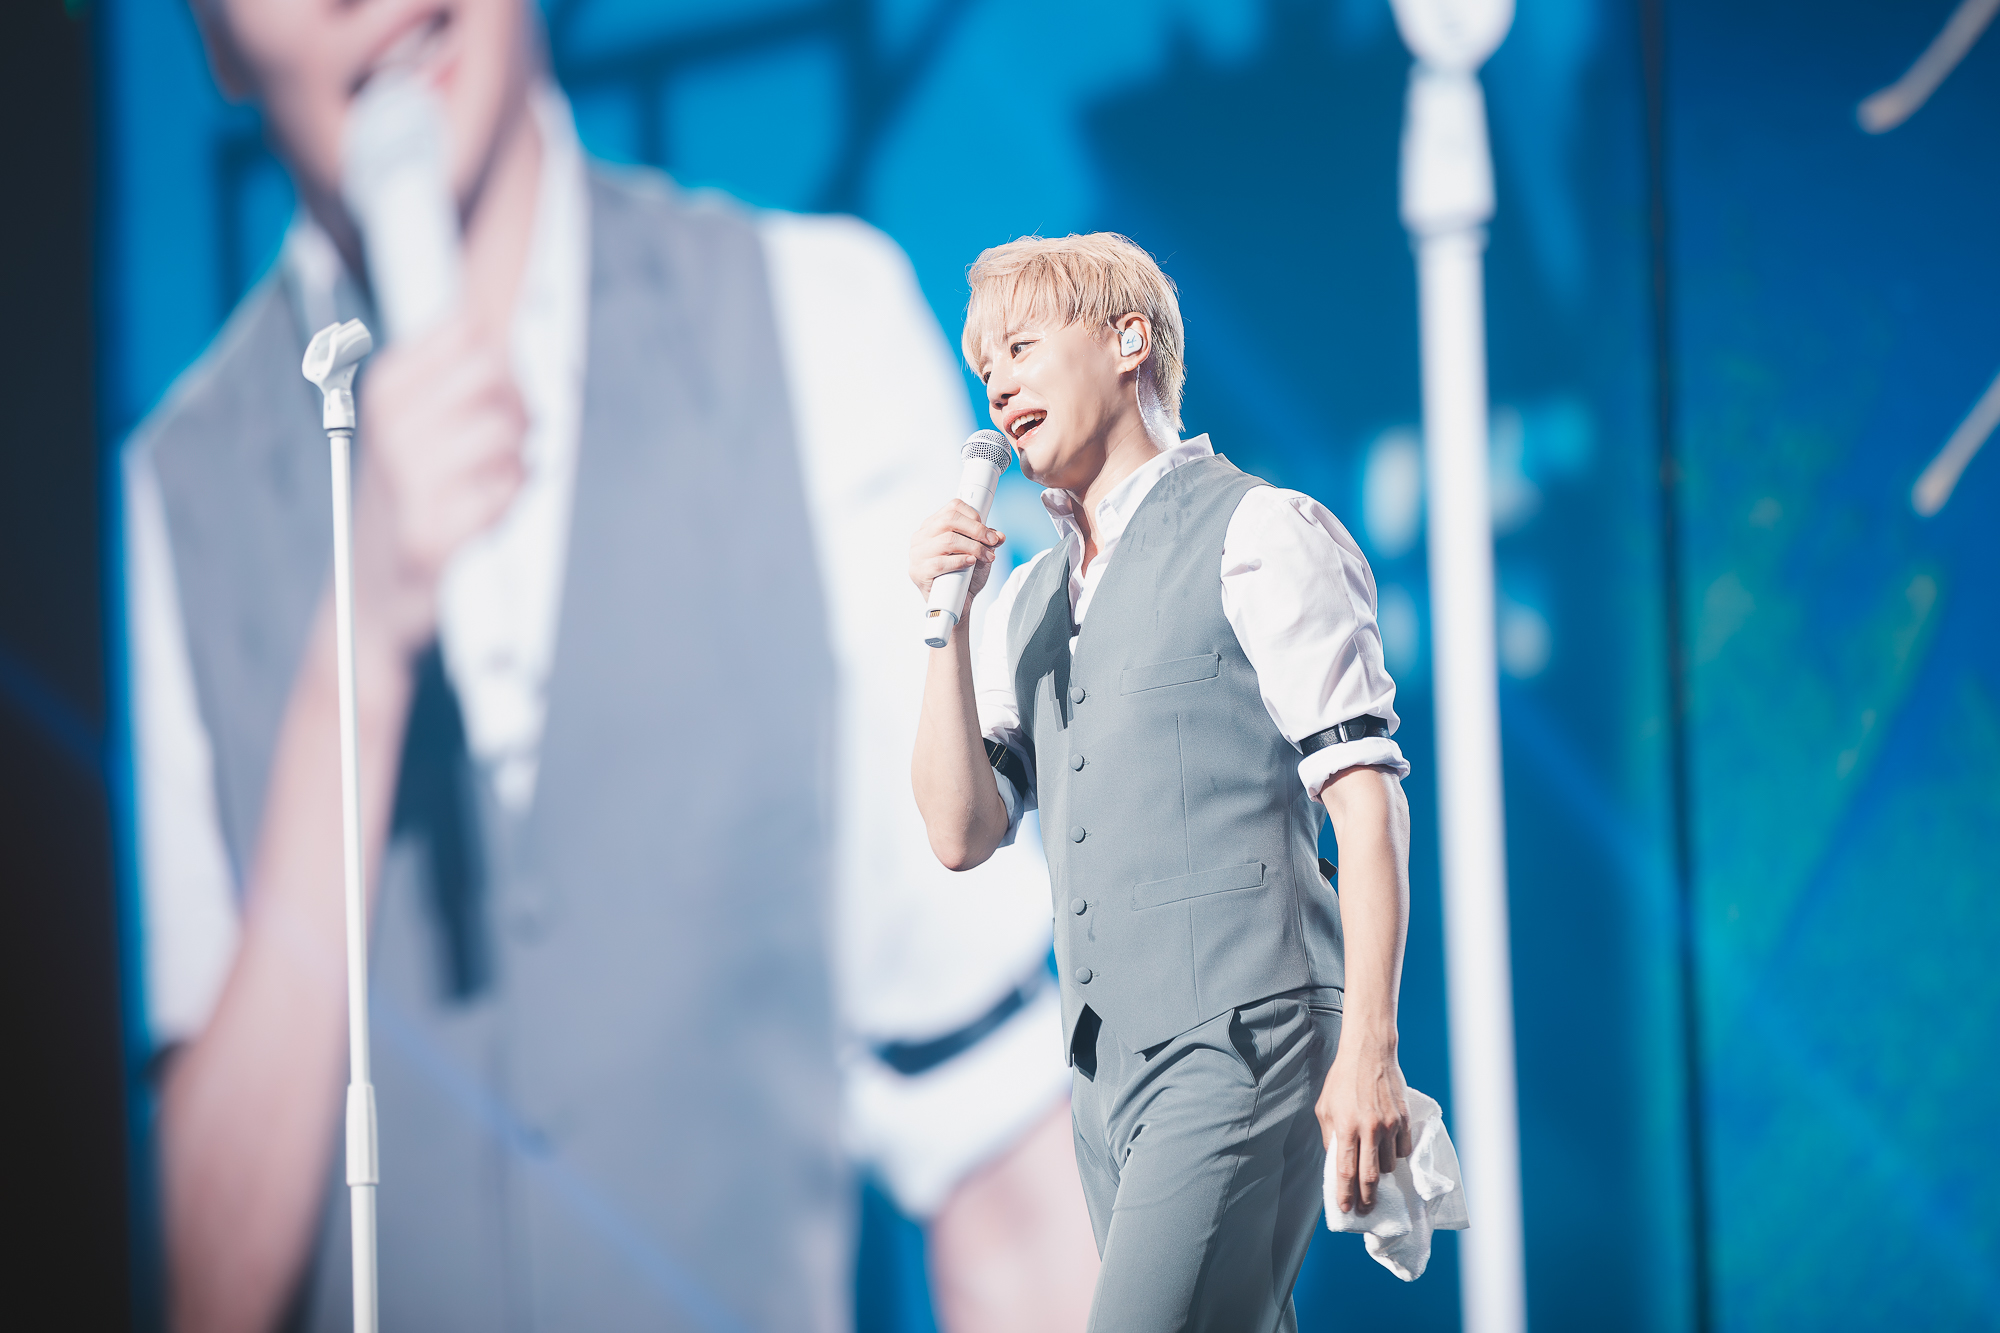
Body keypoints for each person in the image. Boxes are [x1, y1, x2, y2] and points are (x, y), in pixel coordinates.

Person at [126, 1, 1097, 1329]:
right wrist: (358, 653)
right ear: (214, 37)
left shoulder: (816, 336)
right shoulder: (165, 510)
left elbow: (1006, 1182)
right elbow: (191, 1285)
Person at [908, 233, 1418, 1330]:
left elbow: (1365, 801)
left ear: (1126, 340)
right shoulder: (1023, 603)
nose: (996, 384)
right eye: (984, 366)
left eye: (1020, 347)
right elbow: (959, 831)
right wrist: (947, 627)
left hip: (1242, 1039)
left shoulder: (1257, 533)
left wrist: (1371, 1048)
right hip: (1104, 1076)